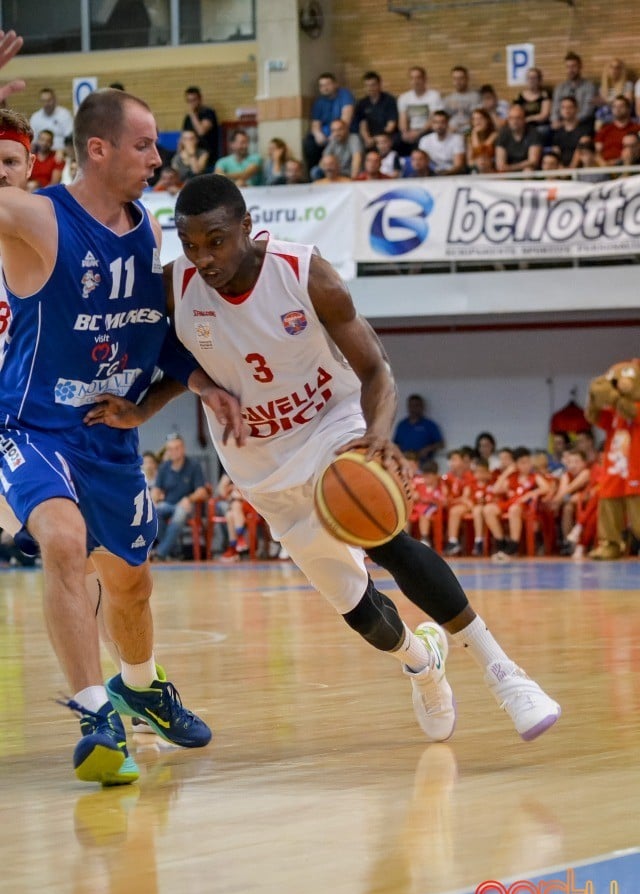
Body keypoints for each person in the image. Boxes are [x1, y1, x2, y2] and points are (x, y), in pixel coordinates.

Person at [110, 175, 561, 746]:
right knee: (362, 613)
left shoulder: (306, 274)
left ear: (247, 229)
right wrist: (146, 407)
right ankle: (422, 663)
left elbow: (376, 370)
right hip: (260, 466)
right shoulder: (176, 288)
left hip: (331, 427)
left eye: (217, 241)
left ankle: (506, 675)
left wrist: (376, 435)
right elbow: (170, 357)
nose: (204, 257)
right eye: (191, 244)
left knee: (384, 536)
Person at [0, 39, 244, 786]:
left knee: (132, 585)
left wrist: (198, 383)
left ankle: (139, 684)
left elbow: (155, 332)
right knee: (63, 542)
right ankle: (94, 713)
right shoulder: (37, 220)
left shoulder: (150, 229)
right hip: (31, 428)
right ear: (97, 149)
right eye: (144, 144)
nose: (157, 154)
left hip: (106, 436)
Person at [151, 434, 208, 561]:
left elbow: (202, 491)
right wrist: (153, 500)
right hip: (168, 504)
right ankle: (174, 550)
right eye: (171, 449)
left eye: (177, 447)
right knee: (153, 512)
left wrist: (189, 499)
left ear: (183, 448)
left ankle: (160, 553)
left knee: (180, 513)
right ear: (167, 451)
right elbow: (156, 489)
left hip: (187, 506)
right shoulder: (164, 467)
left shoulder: (194, 465)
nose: (174, 451)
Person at [303, 72, 356, 171]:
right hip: (325, 136)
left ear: (335, 84)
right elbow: (315, 124)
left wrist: (335, 133)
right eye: (321, 86)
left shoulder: (344, 94)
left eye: (327, 84)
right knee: (309, 143)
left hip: (341, 131)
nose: (325, 88)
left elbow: (346, 117)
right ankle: (316, 173)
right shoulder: (319, 102)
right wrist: (318, 135)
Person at [396, 66, 443, 154]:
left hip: (427, 130)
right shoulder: (404, 97)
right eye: (412, 78)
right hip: (410, 130)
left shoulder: (434, 96)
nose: (415, 81)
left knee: (421, 140)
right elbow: (402, 118)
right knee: (396, 142)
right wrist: (405, 132)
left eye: (418, 78)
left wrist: (418, 133)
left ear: (424, 79)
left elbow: (433, 119)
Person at [393, 394, 444, 467]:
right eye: (411, 406)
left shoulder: (429, 425)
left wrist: (427, 449)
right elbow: (395, 443)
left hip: (424, 465)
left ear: (421, 407)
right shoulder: (402, 425)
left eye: (416, 406)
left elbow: (440, 444)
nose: (413, 409)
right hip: (404, 464)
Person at [550, 51, 597, 130]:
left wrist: (571, 122)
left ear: (580, 67)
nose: (571, 70)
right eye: (568, 67)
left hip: (582, 123)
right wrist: (555, 120)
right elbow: (555, 109)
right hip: (562, 124)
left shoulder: (589, 86)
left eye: (574, 66)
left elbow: (587, 111)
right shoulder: (560, 88)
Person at [354, 71, 399, 151]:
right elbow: (362, 125)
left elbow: (391, 125)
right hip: (370, 137)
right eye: (367, 86)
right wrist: (367, 138)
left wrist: (378, 138)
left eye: (373, 85)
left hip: (387, 135)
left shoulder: (389, 100)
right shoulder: (362, 103)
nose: (370, 88)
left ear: (379, 85)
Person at [495, 104, 542, 173]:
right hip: (508, 171)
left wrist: (510, 168)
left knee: (528, 171)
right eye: (511, 118)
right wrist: (507, 168)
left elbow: (533, 161)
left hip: (526, 170)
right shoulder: (503, 134)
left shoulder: (533, 133)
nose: (514, 121)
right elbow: (500, 164)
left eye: (518, 118)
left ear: (524, 119)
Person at [418, 110, 466, 176]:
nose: (439, 126)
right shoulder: (424, 140)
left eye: (442, 122)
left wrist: (443, 175)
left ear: (447, 123)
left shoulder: (457, 139)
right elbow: (422, 163)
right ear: (432, 124)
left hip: (453, 175)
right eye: (436, 122)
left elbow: (458, 165)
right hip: (431, 176)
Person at [181, 86, 219, 168]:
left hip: (207, 152)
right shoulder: (188, 118)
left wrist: (192, 113)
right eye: (189, 101)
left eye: (194, 100)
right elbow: (183, 137)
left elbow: (201, 131)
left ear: (200, 99)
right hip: (191, 151)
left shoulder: (208, 113)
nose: (192, 103)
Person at [29, 86, 73, 151]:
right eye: (43, 101)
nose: (46, 104)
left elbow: (69, 140)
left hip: (61, 153)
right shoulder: (35, 117)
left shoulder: (65, 115)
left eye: (49, 100)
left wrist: (63, 151)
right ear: (40, 102)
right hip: (41, 154)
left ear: (55, 100)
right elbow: (32, 141)